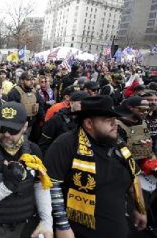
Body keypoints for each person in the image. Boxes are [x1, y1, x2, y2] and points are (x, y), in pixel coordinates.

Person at [45, 95, 147, 238]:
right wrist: (62, 226)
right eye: (108, 120)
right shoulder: (65, 145)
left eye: (114, 119)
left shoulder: (118, 143)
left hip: (118, 227)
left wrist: (139, 207)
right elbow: (50, 186)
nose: (115, 124)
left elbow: (133, 175)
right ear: (88, 123)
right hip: (79, 231)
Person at [0, 101, 53, 238]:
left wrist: (47, 221)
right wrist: (6, 186)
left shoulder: (33, 151)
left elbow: (40, 187)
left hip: (24, 227)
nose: (6, 134)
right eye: (2, 127)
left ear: (24, 127)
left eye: (13, 130)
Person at [8, 72, 45, 136]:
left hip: (33, 123)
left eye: (32, 79)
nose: (32, 82)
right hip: (20, 126)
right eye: (28, 80)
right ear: (22, 81)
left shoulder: (34, 91)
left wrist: (42, 119)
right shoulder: (14, 92)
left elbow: (40, 104)